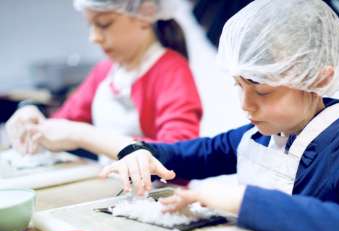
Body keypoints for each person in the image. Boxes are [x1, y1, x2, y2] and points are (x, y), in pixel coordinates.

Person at [100, 0, 339, 231]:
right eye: (239, 86)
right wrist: (141, 151)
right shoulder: (257, 136)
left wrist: (241, 200)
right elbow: (188, 154)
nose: (245, 104)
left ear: (318, 79)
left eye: (262, 90)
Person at [6, 0, 202, 160]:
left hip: (160, 196)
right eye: (90, 25)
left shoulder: (171, 70)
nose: (93, 37)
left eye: (103, 24)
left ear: (145, 14)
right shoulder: (106, 71)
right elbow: (63, 123)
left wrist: (83, 135)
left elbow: (180, 153)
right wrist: (32, 115)